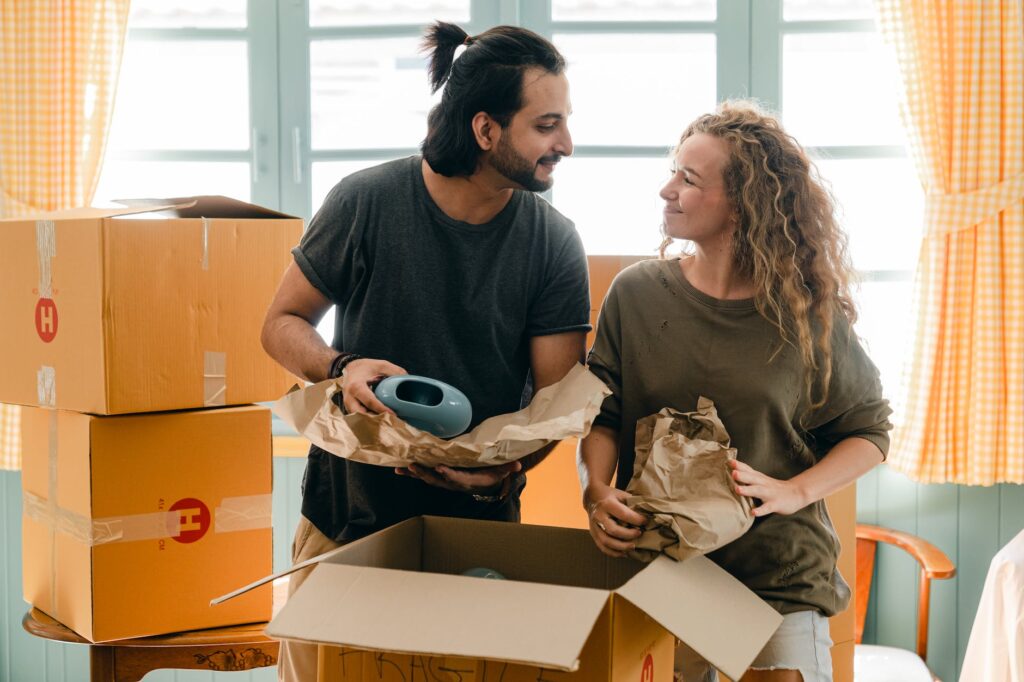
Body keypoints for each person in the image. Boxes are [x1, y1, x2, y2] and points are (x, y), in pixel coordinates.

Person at [261, 22, 589, 682]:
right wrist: (339, 366)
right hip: (346, 521)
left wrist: (508, 466)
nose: (567, 145)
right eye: (547, 125)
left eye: (565, 123)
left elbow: (555, 402)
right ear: (485, 130)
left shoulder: (553, 243)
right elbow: (280, 323)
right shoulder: (367, 202)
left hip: (477, 535)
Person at [578, 100, 892, 682]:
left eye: (689, 179)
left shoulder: (806, 315)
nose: (666, 189)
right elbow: (603, 413)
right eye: (674, 169)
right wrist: (595, 492)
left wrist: (795, 492)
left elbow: (869, 432)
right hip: (662, 578)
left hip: (778, 584)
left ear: (743, 205)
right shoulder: (635, 294)